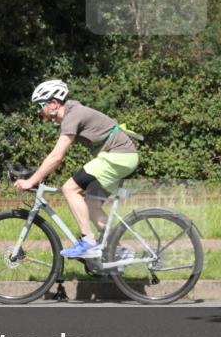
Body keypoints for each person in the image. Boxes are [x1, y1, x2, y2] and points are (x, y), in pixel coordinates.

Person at [14, 79, 138, 258]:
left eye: (40, 106)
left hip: (118, 156)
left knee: (70, 189)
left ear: (54, 103)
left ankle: (88, 242)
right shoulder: (73, 112)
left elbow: (57, 156)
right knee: (92, 204)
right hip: (122, 157)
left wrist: (31, 181)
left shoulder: (72, 115)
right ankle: (118, 251)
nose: (39, 112)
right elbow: (57, 157)